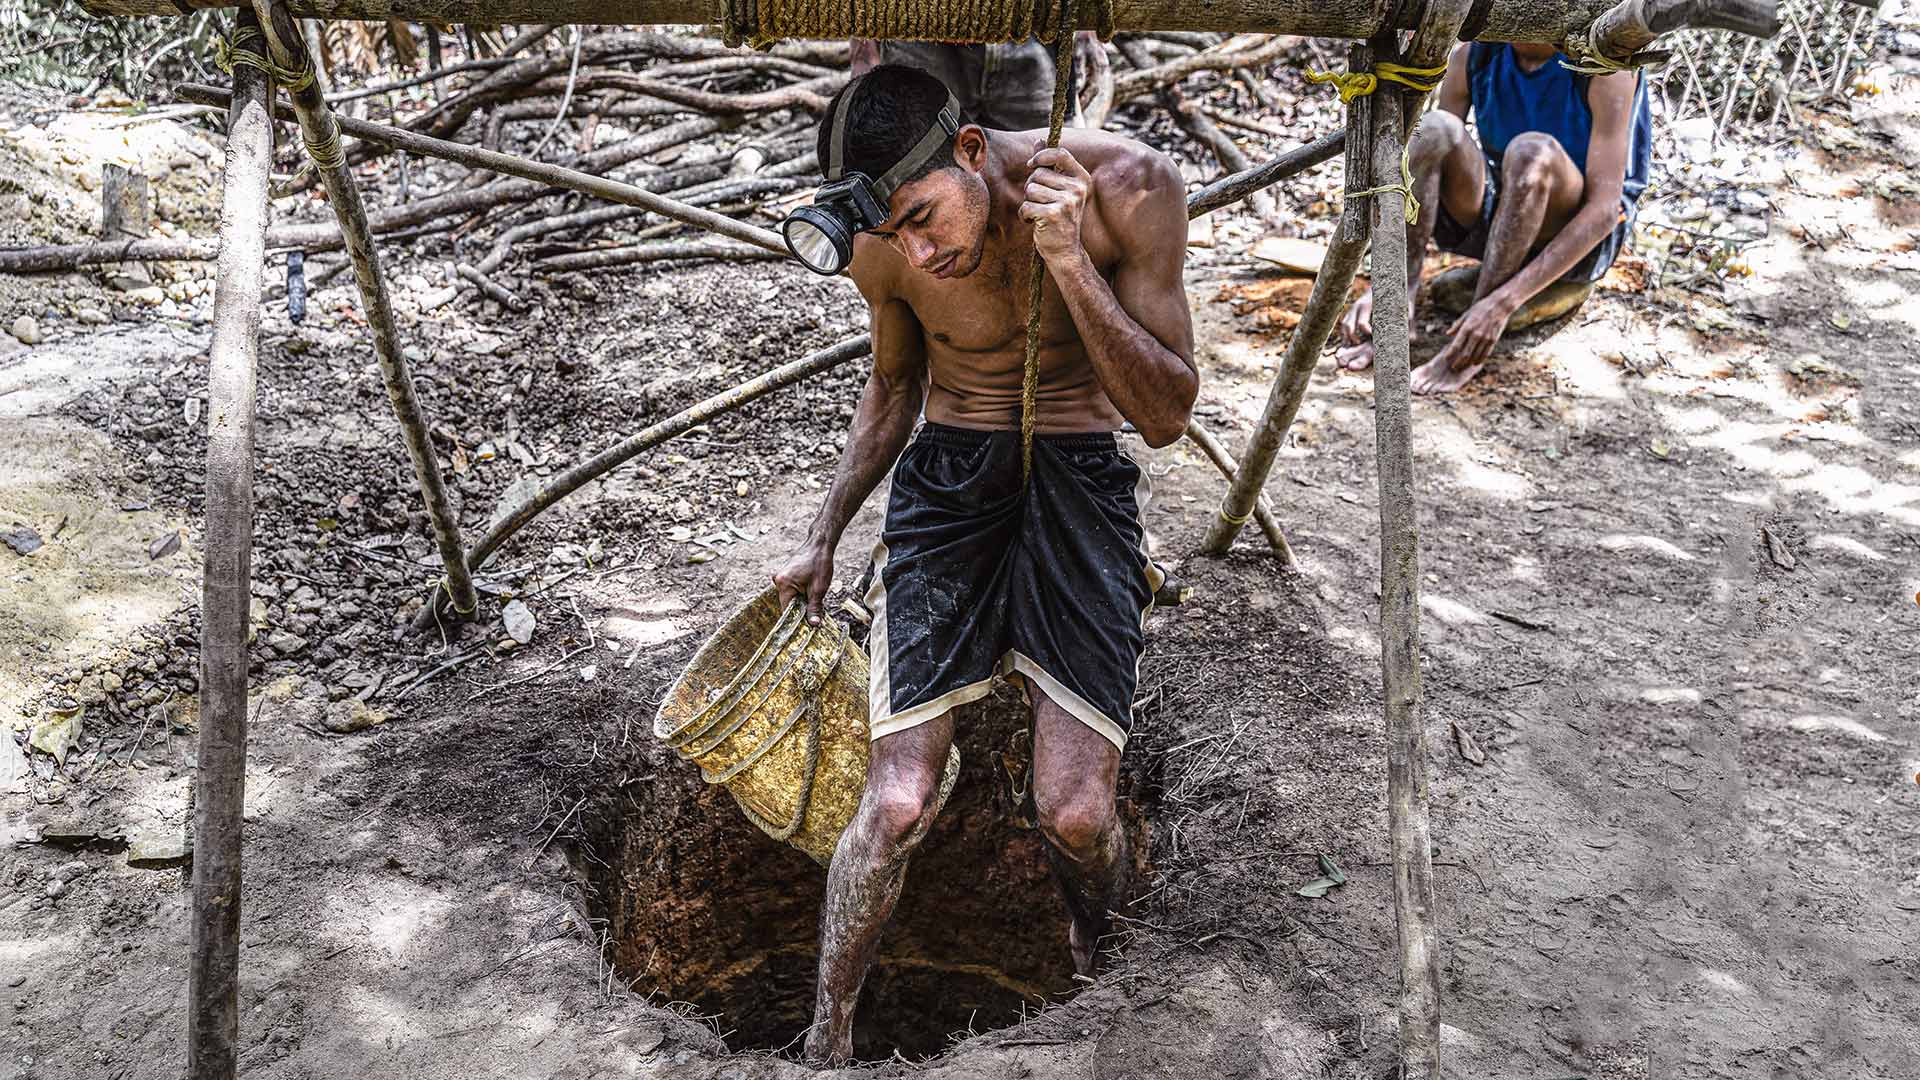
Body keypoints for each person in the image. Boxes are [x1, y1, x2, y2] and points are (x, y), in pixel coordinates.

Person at [770, 64, 1195, 1067]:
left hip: (1080, 470)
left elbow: (1169, 414)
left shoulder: (1131, 186)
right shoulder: (883, 244)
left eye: (924, 217)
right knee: (899, 802)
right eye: (894, 234)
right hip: (950, 480)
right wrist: (825, 530)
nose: (918, 252)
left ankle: (1103, 965)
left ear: (970, 151)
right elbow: (894, 384)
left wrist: (1071, 263)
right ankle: (824, 1037)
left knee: (1077, 811)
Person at [1336, 39, 1652, 393]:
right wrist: (1388, 281)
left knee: (1532, 151)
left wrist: (1502, 304)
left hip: (1576, 234)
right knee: (1435, 127)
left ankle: (1472, 336)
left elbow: (1605, 211)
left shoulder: (1605, 67)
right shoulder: (1475, 55)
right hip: (1503, 218)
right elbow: (1423, 162)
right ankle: (1397, 308)